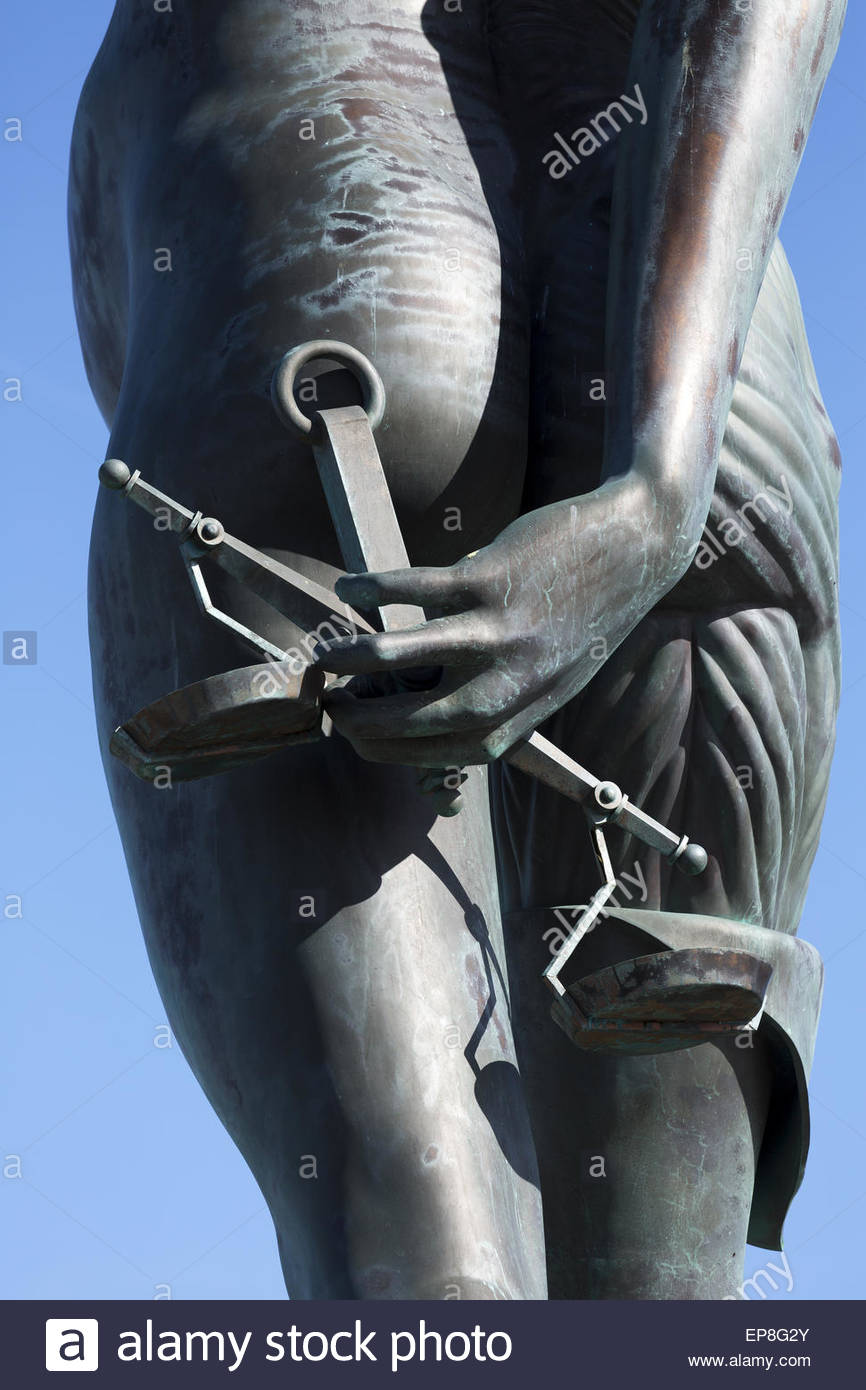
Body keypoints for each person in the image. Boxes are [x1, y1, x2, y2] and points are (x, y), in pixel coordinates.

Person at [70, 0, 845, 1298]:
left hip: (319, 260)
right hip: (715, 375)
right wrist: (658, 495)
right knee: (659, 1315)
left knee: (410, 1276)